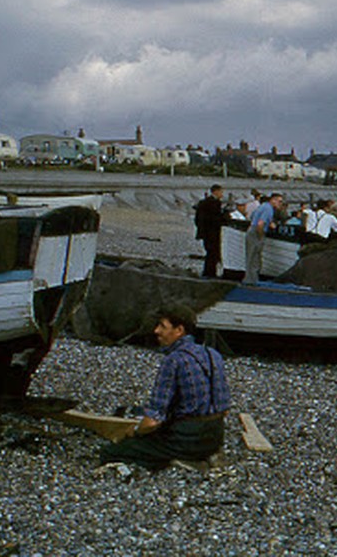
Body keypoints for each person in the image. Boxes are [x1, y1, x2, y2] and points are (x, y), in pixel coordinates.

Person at [99, 306, 230, 469]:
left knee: (112, 452)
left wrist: (134, 432)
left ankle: (183, 461)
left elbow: (152, 422)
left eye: (162, 326)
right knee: (140, 414)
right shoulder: (213, 354)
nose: (156, 331)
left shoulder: (174, 360)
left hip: (187, 439)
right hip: (215, 437)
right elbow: (224, 410)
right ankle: (205, 454)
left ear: (179, 330)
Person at [245, 193, 283, 283]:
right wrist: (261, 235)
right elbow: (260, 223)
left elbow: (253, 216)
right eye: (279, 201)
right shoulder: (269, 209)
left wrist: (270, 223)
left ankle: (250, 279)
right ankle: (252, 281)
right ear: (273, 200)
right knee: (254, 258)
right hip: (255, 233)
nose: (280, 204)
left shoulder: (263, 206)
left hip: (251, 230)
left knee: (250, 257)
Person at [193, 184, 225, 278]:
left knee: (210, 252)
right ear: (216, 191)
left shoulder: (203, 202)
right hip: (212, 232)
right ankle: (210, 272)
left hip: (205, 231)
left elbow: (198, 218)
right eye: (221, 192)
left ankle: (208, 272)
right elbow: (216, 218)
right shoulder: (214, 203)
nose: (222, 194)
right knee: (213, 252)